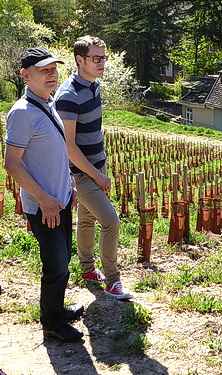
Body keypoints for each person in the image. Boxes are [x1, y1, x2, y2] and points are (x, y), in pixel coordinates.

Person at [5, 47, 84, 342]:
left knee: (62, 262)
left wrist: (69, 186)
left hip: (59, 199)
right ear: (25, 75)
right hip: (44, 205)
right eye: (43, 70)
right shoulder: (23, 113)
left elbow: (54, 152)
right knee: (56, 265)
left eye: (53, 69)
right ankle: (51, 323)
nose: (52, 74)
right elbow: (12, 164)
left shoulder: (48, 104)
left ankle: (57, 311)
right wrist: (44, 199)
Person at [55, 36, 132, 300]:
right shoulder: (68, 96)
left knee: (87, 220)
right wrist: (97, 175)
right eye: (96, 58)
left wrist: (102, 164)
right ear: (79, 60)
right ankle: (113, 280)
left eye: (104, 57)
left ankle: (88, 270)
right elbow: (69, 147)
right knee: (110, 221)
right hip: (80, 172)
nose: (102, 63)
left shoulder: (93, 86)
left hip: (97, 164)